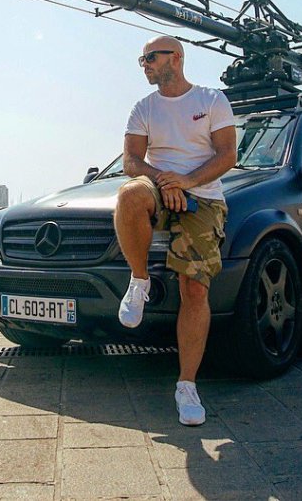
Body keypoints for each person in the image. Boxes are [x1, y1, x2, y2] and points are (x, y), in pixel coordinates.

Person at [114, 36, 236, 426]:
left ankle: (186, 386)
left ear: (176, 58)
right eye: (142, 58)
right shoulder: (144, 107)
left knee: (194, 289)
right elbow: (132, 161)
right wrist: (167, 182)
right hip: (162, 189)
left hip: (204, 196)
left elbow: (227, 155)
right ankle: (139, 281)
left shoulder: (211, 100)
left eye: (150, 57)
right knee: (130, 194)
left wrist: (187, 182)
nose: (145, 64)